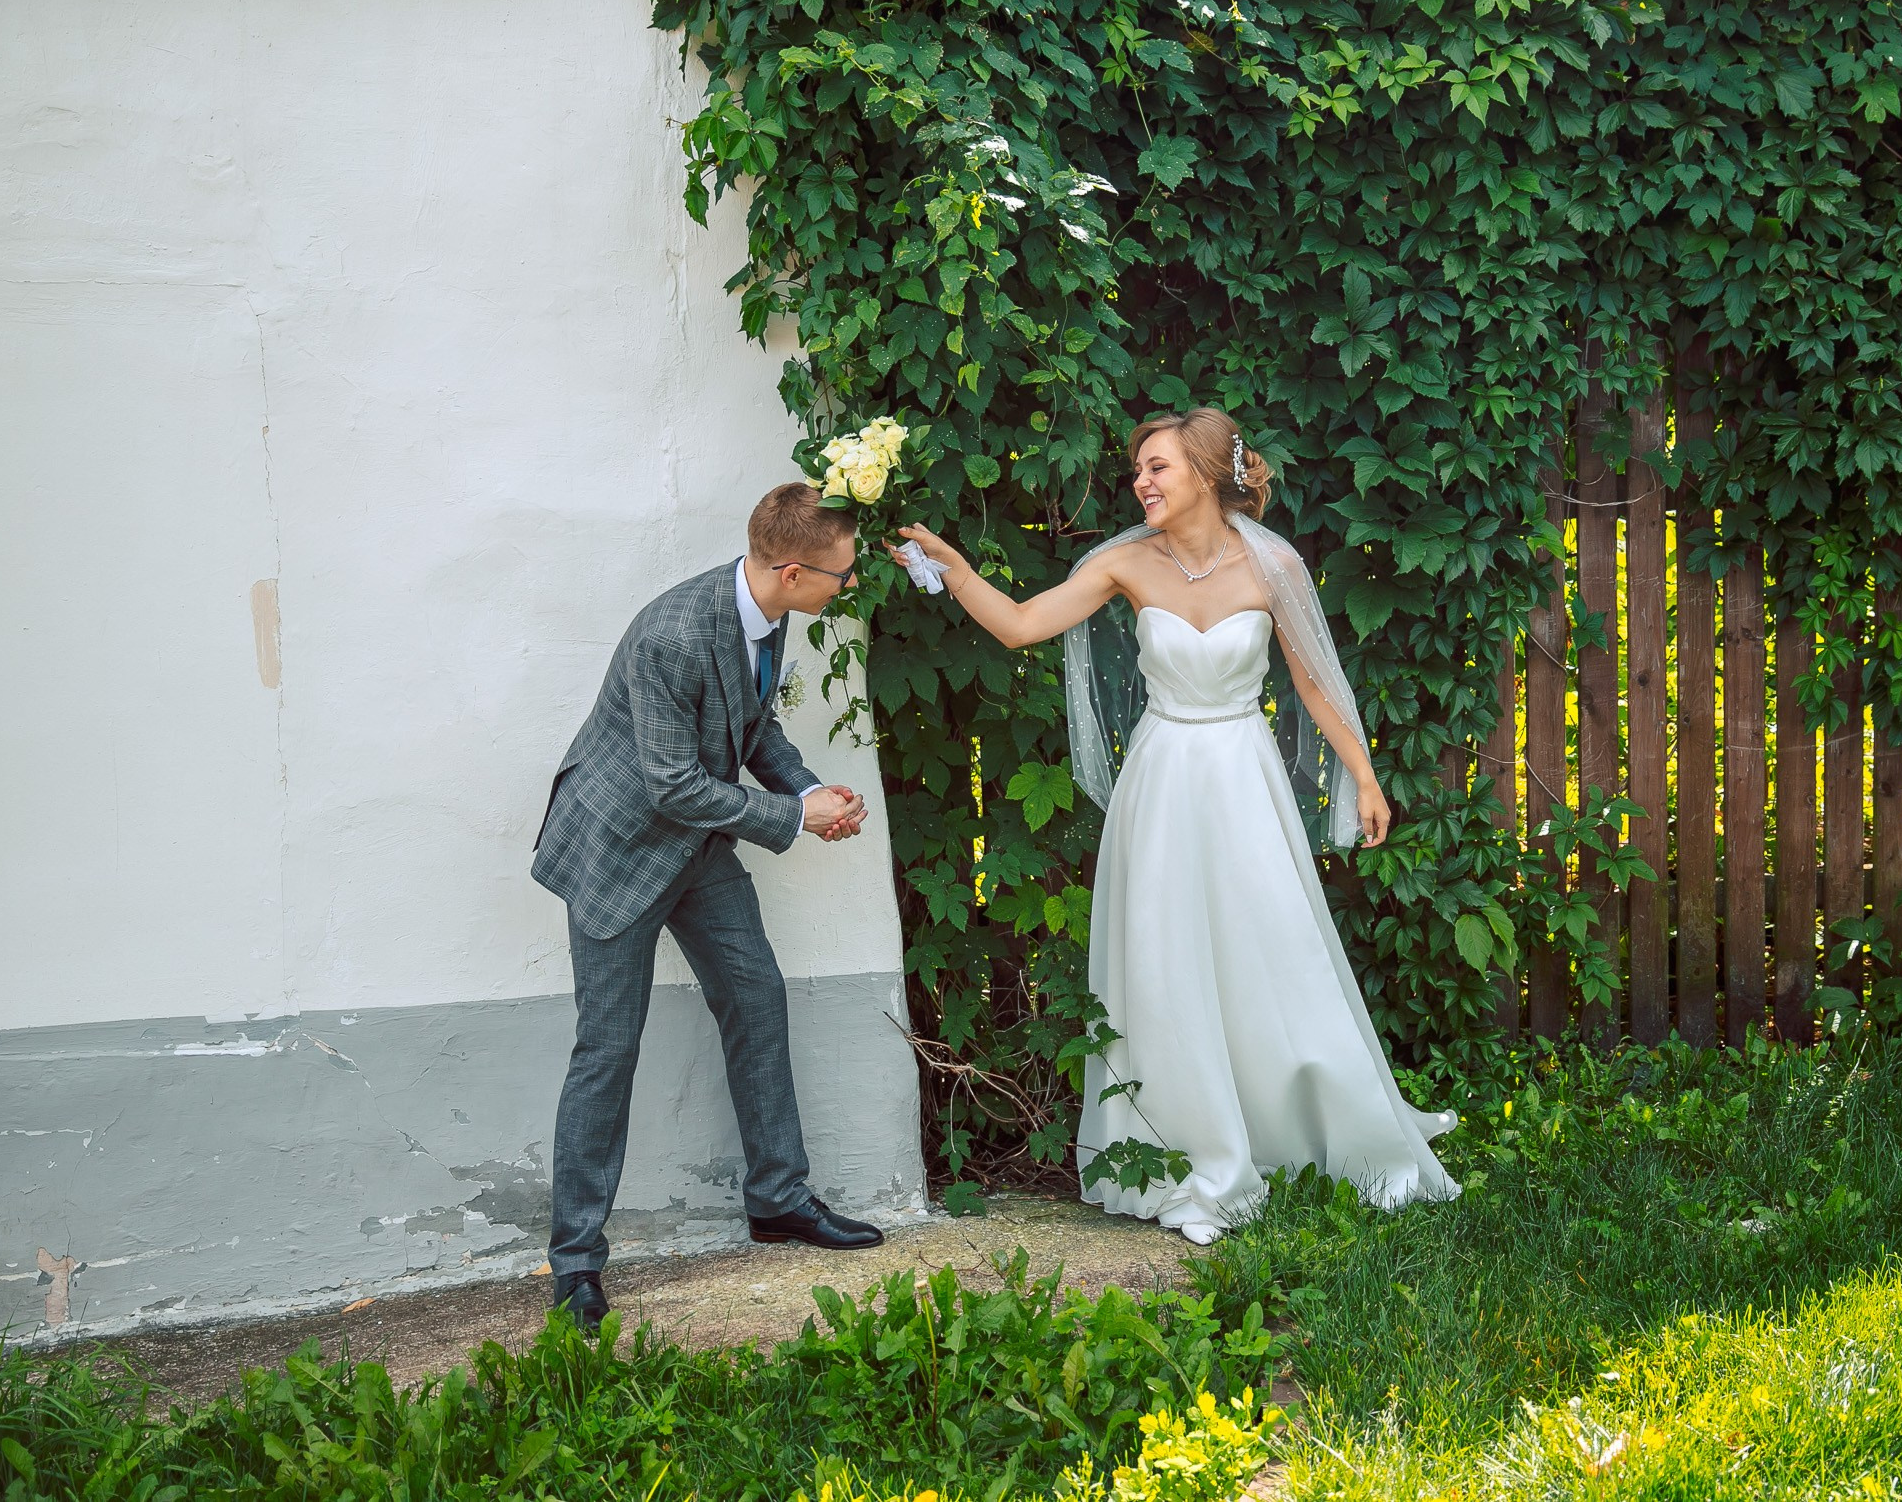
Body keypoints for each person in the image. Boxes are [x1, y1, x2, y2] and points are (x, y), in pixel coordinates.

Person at [892, 409, 1458, 1244]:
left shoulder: (1275, 565)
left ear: (1202, 470)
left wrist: (1365, 775)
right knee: (1166, 960)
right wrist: (957, 567)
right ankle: (1185, 1147)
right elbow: (1019, 624)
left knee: (1273, 944)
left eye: (1157, 467)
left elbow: (1313, 683)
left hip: (1243, 778)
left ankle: (1306, 1117)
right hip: (1160, 784)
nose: (1141, 484)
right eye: (1136, 472)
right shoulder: (1124, 563)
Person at [531, 482, 889, 1330]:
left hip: (695, 847)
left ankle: (777, 1198)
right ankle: (575, 1264)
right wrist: (794, 817)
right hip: (617, 848)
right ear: (795, 570)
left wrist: (805, 788)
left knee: (756, 996)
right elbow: (672, 782)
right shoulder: (673, 633)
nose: (848, 587)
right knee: (607, 1049)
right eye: (842, 576)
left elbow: (751, 729)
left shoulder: (770, 613)